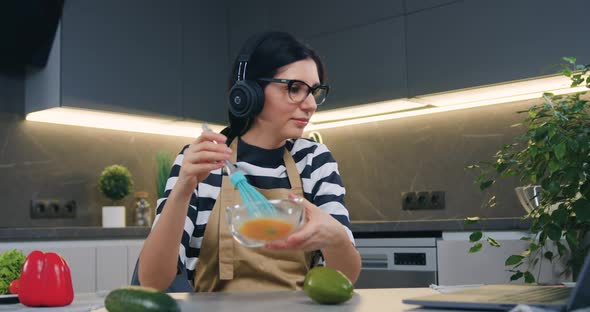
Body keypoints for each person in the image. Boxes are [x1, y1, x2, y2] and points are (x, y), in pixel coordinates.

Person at [138, 31, 361, 292]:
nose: (311, 104)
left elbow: (346, 279)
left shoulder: (314, 161)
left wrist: (337, 239)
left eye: (314, 91)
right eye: (295, 88)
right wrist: (182, 190)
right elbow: (153, 282)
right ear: (249, 91)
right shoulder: (201, 162)